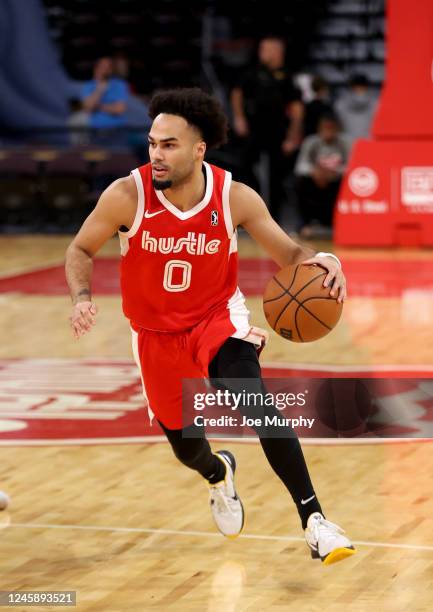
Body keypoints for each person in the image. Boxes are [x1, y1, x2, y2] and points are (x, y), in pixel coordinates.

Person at [65, 88, 355, 566]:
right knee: (187, 448)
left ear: (199, 149)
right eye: (153, 143)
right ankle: (219, 473)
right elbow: (80, 249)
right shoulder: (126, 195)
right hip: (154, 335)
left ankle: (315, 521)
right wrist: (81, 297)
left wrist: (326, 259)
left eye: (169, 145)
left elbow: (290, 254)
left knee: (251, 395)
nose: (156, 154)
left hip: (215, 319)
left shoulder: (233, 197)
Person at [230, 36, 304, 221]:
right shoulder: (252, 73)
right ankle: (250, 206)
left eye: (266, 49)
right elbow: (237, 93)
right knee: (243, 165)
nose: (262, 52)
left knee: (277, 175)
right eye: (261, 49)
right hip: (254, 128)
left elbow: (297, 108)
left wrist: (293, 135)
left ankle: (273, 219)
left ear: (277, 52)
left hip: (278, 130)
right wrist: (239, 118)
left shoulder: (287, 76)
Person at [295, 114, 351, 238]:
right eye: (325, 128)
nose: (328, 132)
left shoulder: (345, 143)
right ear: (319, 129)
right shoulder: (311, 142)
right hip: (315, 181)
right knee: (300, 182)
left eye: (331, 128)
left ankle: (337, 223)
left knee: (348, 185)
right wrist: (314, 172)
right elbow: (300, 166)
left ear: (337, 129)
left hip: (335, 183)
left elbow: (353, 166)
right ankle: (304, 224)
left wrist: (334, 172)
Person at [80, 57, 129, 131]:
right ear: (96, 68)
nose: (106, 69)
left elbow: (120, 109)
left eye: (108, 67)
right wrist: (99, 90)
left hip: (117, 129)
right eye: (103, 66)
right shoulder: (88, 86)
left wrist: (99, 106)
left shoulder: (119, 84)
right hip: (95, 130)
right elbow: (88, 108)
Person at [335, 74, 378, 141]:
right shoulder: (377, 104)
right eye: (358, 86)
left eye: (361, 86)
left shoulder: (340, 104)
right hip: (366, 142)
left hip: (350, 143)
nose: (359, 89)